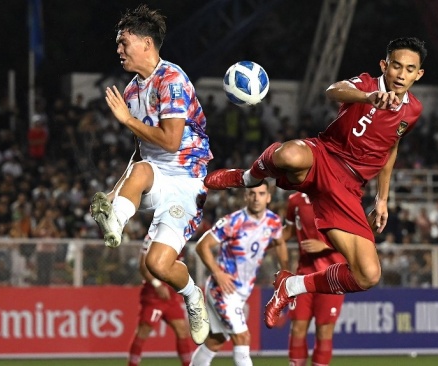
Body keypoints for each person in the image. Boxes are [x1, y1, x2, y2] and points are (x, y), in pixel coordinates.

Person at [204, 37, 427, 328]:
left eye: (409, 69)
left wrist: (382, 199)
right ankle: (246, 177)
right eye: (396, 66)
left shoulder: (414, 111)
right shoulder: (366, 84)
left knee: (368, 275)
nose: (401, 74)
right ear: (384, 65)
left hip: (348, 187)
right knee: (289, 155)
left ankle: (290, 287)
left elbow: (391, 148)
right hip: (324, 154)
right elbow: (334, 90)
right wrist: (367, 98)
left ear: (418, 74)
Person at [89, 4, 213, 344]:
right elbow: (140, 154)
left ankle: (192, 297)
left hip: (187, 182)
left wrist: (127, 121)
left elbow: (172, 142)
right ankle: (115, 219)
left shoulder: (171, 79)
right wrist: (116, 191)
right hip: (154, 174)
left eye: (123, 42)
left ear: (146, 43)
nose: (118, 49)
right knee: (142, 169)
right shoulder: (131, 91)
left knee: (159, 265)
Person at [191, 182, 289, 366]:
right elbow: (202, 245)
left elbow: (280, 243)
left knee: (216, 339)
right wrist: (218, 273)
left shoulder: (273, 221)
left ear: (268, 197)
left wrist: (285, 270)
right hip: (223, 289)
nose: (256, 198)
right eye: (252, 193)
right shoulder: (233, 221)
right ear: (246, 197)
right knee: (243, 338)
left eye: (261, 194)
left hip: (241, 291)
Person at [282, 192, 346, 366]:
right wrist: (264, 235)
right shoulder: (295, 200)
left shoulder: (338, 197)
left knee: (324, 332)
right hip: (304, 275)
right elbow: (286, 233)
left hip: (332, 278)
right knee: (297, 328)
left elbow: (353, 237)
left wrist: (325, 245)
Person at [128, 237, 192, 366]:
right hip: (154, 295)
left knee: (182, 329)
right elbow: (143, 266)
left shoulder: (180, 235)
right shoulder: (152, 236)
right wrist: (157, 285)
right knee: (144, 330)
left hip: (171, 295)